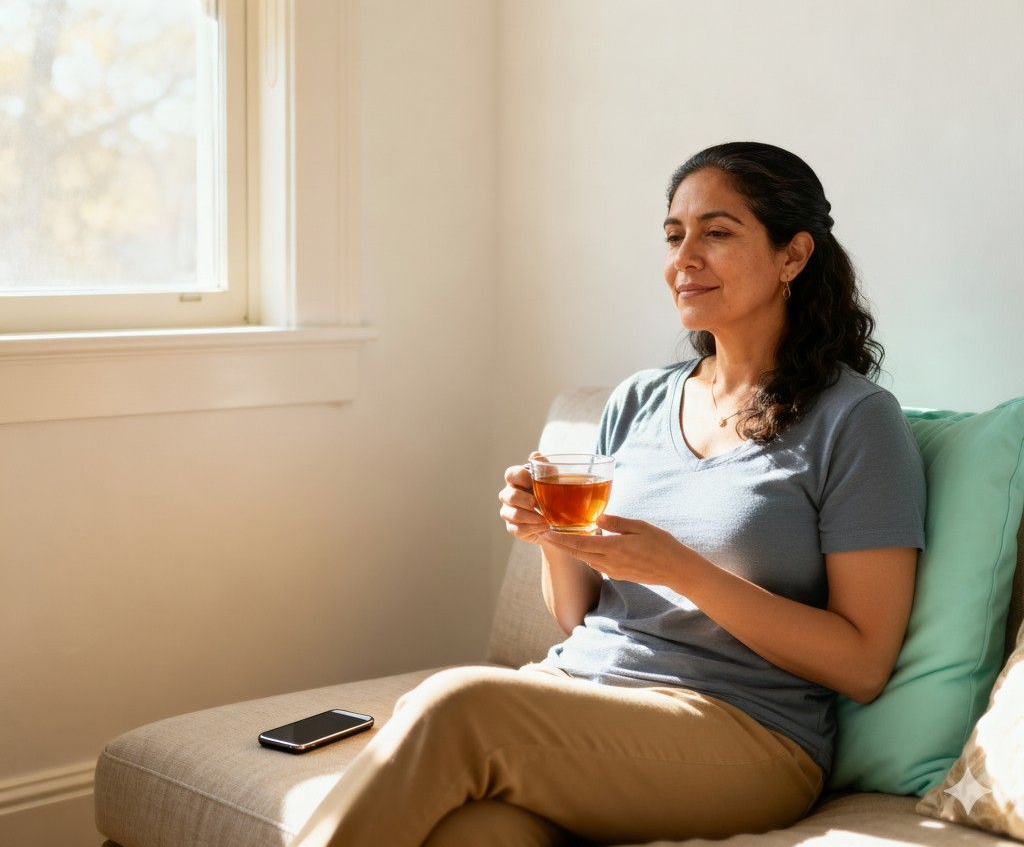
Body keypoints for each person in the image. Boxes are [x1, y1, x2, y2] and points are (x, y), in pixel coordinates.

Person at [293, 141, 927, 847]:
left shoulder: (857, 420)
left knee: (454, 702)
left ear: (793, 256)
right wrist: (550, 537)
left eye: (717, 233)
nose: (684, 258)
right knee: (473, 835)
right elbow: (577, 615)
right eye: (673, 234)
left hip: (745, 734)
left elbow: (862, 664)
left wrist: (680, 569)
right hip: (584, 695)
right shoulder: (638, 399)